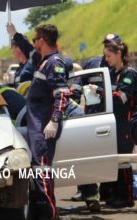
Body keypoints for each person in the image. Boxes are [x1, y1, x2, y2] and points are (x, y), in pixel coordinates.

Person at [26, 24, 69, 220]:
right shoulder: (44, 61)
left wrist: (54, 120)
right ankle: (49, 212)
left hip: (44, 127)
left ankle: (49, 214)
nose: (34, 42)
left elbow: (62, 94)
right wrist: (16, 35)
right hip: (38, 126)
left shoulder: (54, 63)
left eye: (36, 39)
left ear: (42, 41)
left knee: (42, 170)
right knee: (40, 170)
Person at [92, 34, 137, 208]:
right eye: (105, 56)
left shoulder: (129, 74)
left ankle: (126, 197)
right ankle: (114, 194)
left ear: (118, 54)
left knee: (123, 160)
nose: (106, 59)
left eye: (109, 56)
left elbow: (122, 98)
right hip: (115, 122)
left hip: (127, 122)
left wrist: (100, 92)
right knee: (115, 159)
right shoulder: (112, 73)